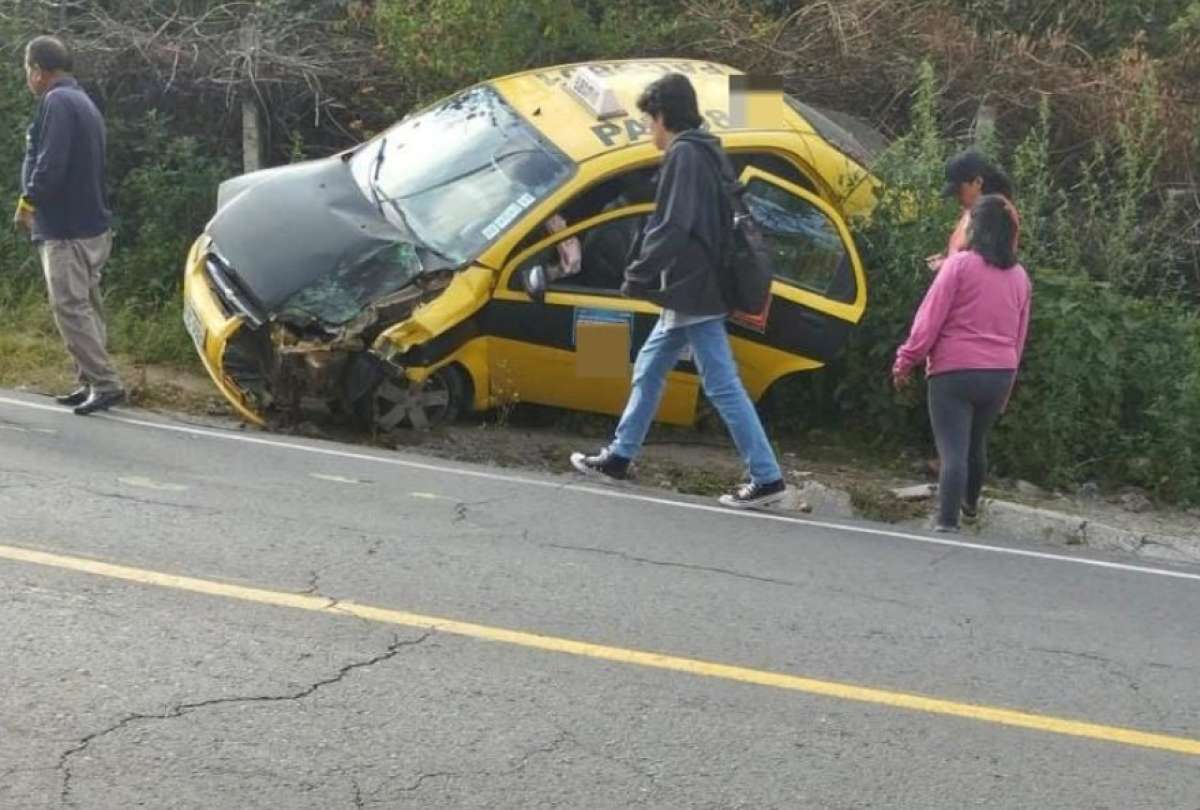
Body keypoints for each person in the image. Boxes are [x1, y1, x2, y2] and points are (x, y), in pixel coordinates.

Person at [570, 73, 788, 510]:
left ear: (663, 116)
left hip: (694, 288)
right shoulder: (706, 150)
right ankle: (620, 455)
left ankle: (766, 478)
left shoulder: (685, 156)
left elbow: (672, 225)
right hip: (694, 286)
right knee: (650, 369)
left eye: (649, 121)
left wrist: (638, 273)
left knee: (721, 384)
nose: (649, 130)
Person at [894, 194, 1032, 532]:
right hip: (999, 373)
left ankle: (946, 522)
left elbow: (930, 318)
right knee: (976, 442)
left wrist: (906, 359)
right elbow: (1019, 335)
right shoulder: (1020, 277)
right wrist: (1007, 385)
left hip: (954, 372)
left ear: (976, 228)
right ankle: (970, 506)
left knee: (952, 450)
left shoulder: (959, 265)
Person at [14, 36, 123, 415]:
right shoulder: (81, 99)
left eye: (28, 71)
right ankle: (88, 379)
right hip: (90, 222)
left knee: (70, 307)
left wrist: (29, 202)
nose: (28, 78)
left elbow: (51, 162)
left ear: (38, 71)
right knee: (87, 306)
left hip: (66, 228)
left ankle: (105, 382)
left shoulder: (57, 102)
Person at [926, 150, 1018, 273]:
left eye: (959, 190)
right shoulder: (975, 207)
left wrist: (947, 265)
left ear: (978, 182)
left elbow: (986, 264)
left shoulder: (997, 211)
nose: (957, 197)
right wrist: (945, 257)